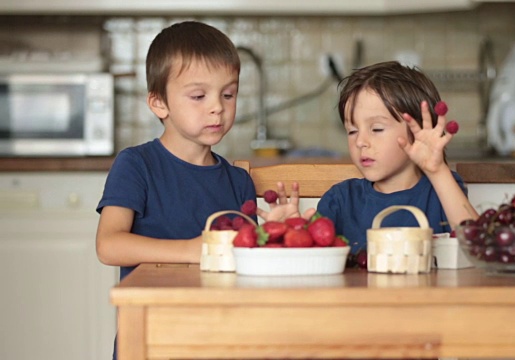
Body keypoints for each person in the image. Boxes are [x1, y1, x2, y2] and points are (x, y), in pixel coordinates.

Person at [95, 21, 300, 360]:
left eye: (228, 94)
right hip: (152, 336)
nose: (217, 107)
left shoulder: (238, 181)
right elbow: (109, 245)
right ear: (159, 103)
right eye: (198, 96)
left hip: (221, 337)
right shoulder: (136, 165)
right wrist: (192, 250)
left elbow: (242, 260)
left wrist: (275, 233)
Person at [315, 61, 479, 255]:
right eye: (352, 131)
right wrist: (289, 233)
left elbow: (477, 245)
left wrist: (437, 171)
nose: (360, 141)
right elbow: (315, 261)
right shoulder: (340, 200)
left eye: (376, 129)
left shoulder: (441, 191)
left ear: (417, 132)